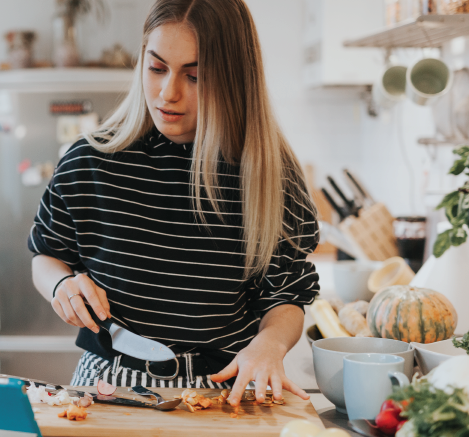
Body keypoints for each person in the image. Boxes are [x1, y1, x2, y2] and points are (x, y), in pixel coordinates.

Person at [28, 0, 320, 408]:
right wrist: (61, 284)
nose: (168, 93)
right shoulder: (90, 161)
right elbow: (46, 256)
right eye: (156, 67)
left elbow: (286, 294)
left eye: (195, 76)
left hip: (225, 387)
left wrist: (269, 345)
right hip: (109, 384)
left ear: (235, 79)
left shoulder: (270, 176)